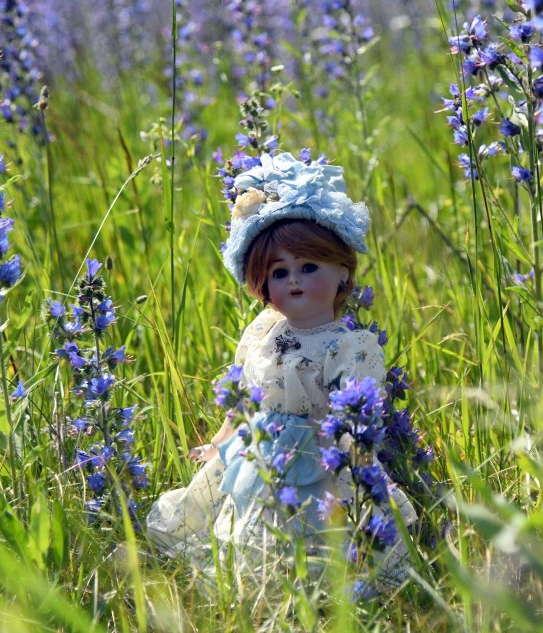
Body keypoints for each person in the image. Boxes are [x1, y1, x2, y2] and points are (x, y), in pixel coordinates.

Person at [146, 152, 416, 586]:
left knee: (323, 532)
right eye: (279, 271)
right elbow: (244, 401)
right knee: (254, 523)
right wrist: (220, 442)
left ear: (343, 273)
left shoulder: (349, 346)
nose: (294, 279)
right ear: (262, 283)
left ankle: (326, 585)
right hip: (260, 454)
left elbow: (356, 413)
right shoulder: (263, 332)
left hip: (322, 454)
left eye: (309, 267)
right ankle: (265, 582)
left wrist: (355, 457)